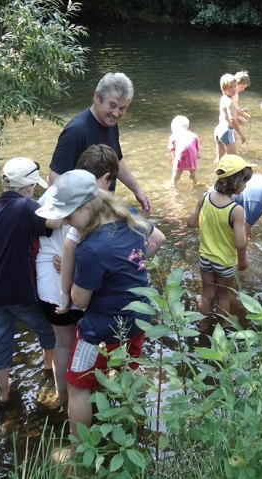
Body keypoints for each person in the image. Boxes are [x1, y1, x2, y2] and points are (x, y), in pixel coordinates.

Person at [35, 170, 165, 434]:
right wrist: (133, 260)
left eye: (70, 217)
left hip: (100, 331)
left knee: (77, 385)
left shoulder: (92, 248)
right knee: (127, 371)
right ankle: (130, 426)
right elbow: (159, 238)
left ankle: (82, 446)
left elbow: (80, 301)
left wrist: (70, 277)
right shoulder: (128, 215)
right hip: (138, 318)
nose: (69, 224)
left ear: (88, 206)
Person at [36, 144, 119, 407]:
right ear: (105, 178)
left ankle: (64, 397)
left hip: (49, 284)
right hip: (79, 287)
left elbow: (40, 230)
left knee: (63, 344)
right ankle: (88, 397)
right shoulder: (96, 204)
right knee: (89, 344)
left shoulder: (52, 193)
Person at [0, 157, 60, 404]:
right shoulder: (26, 206)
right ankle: (49, 372)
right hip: (20, 290)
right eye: (33, 186)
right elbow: (54, 223)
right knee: (48, 330)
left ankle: (3, 394)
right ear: (28, 186)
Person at [48, 72, 151, 214]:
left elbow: (116, 160)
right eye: (112, 105)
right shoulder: (76, 131)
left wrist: (137, 190)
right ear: (97, 97)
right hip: (81, 217)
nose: (116, 113)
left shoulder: (111, 124)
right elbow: (54, 178)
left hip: (100, 210)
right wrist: (73, 218)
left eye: (122, 108)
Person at [187, 154, 254, 315]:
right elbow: (239, 243)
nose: (245, 186)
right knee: (223, 296)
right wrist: (243, 259)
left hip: (205, 258)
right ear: (236, 183)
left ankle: (204, 325)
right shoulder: (236, 210)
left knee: (206, 293)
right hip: (224, 262)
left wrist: (210, 223)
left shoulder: (204, 197)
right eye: (244, 181)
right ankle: (222, 327)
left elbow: (191, 223)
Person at [214, 74, 247, 165]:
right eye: (230, 87)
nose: (234, 89)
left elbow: (232, 111)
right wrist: (241, 134)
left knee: (220, 159)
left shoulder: (223, 98)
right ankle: (231, 179)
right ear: (224, 89)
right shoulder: (230, 102)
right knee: (233, 161)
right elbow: (232, 119)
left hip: (218, 130)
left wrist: (241, 113)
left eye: (235, 86)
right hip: (226, 132)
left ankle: (217, 174)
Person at [167, 115, 201, 188]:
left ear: (174, 128)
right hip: (192, 160)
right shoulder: (194, 135)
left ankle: (172, 186)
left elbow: (173, 152)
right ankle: (195, 183)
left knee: (176, 177)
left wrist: (175, 160)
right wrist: (196, 157)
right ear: (187, 126)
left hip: (180, 159)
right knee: (193, 176)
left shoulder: (173, 136)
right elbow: (199, 154)